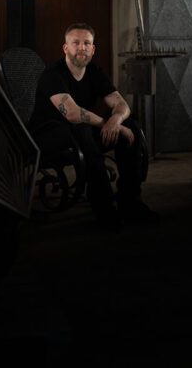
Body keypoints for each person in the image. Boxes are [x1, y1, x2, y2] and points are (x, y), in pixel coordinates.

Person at [29, 23, 158, 228]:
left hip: (80, 133)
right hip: (47, 137)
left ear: (93, 49)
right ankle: (104, 207)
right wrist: (110, 125)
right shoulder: (52, 74)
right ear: (66, 48)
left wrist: (116, 121)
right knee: (84, 129)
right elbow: (72, 114)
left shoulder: (95, 72)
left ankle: (130, 201)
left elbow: (121, 105)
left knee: (130, 125)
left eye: (86, 43)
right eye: (76, 43)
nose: (82, 47)